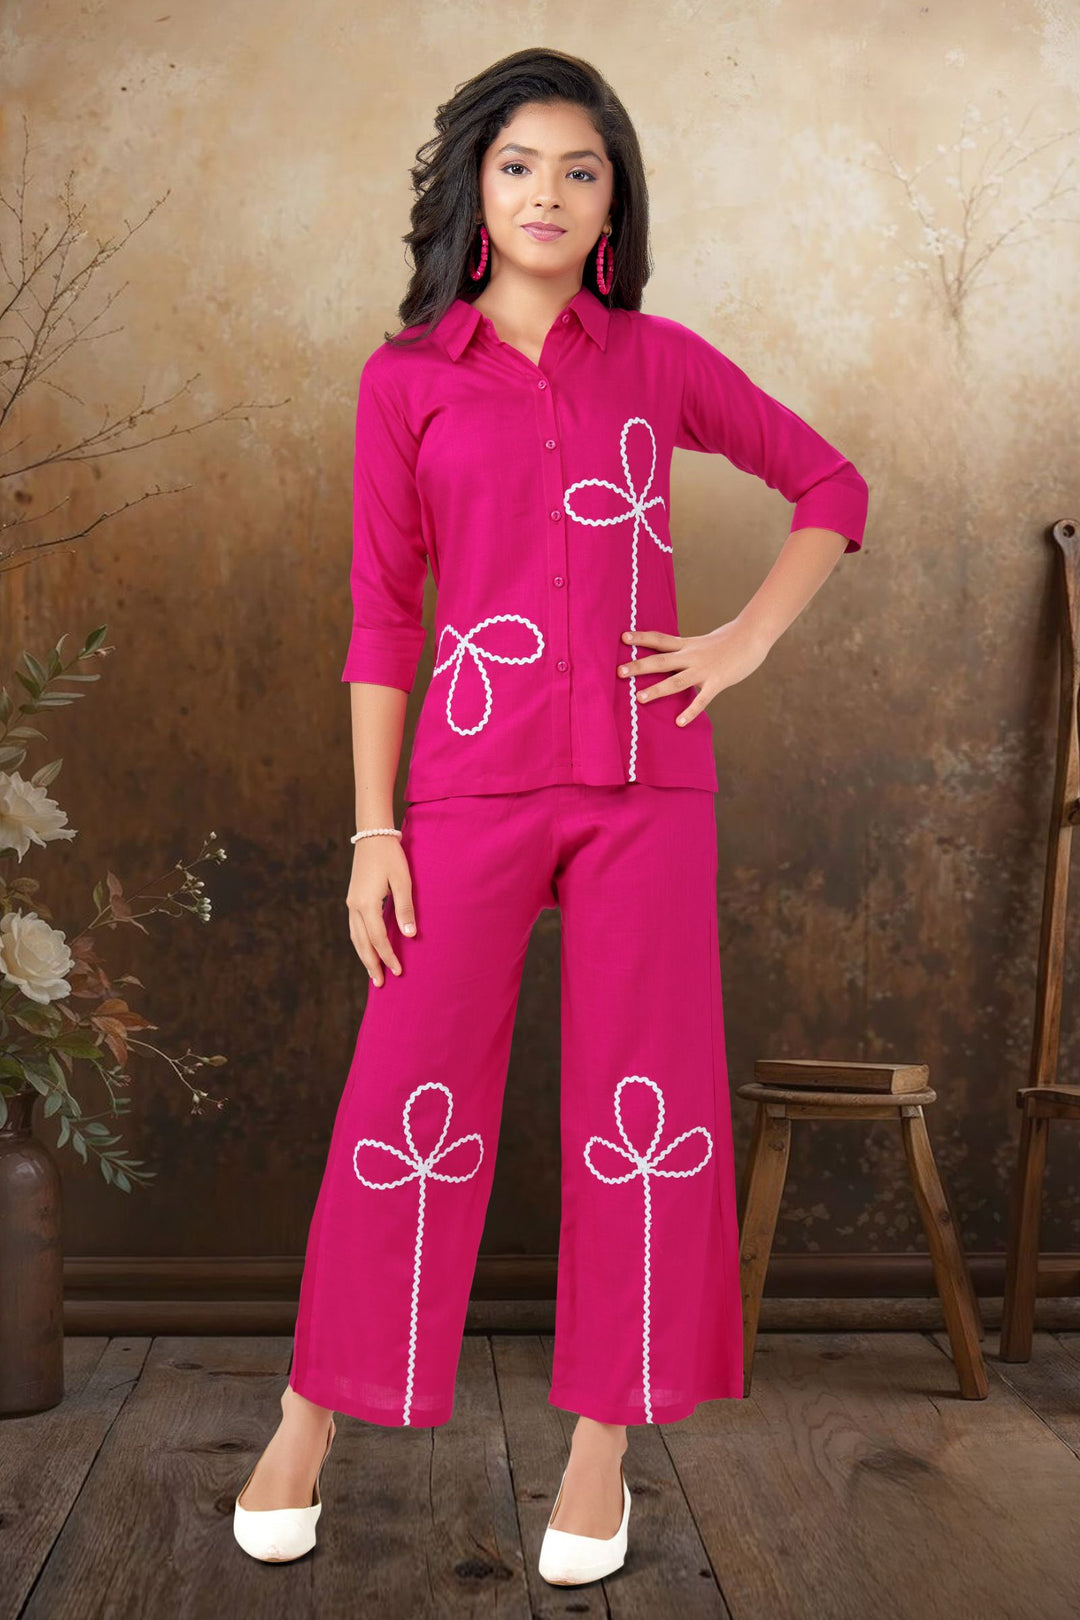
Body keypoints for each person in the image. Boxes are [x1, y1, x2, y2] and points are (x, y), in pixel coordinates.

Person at [232, 46, 869, 1585]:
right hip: (464, 788)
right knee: (402, 1097)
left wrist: (739, 644)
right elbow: (383, 618)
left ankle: (599, 1452)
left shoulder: (658, 361)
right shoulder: (406, 383)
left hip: (650, 791)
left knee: (641, 1115)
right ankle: (310, 1415)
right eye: (520, 164)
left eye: (582, 171)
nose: (548, 193)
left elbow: (833, 488)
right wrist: (373, 832)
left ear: (612, 205)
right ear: (475, 186)